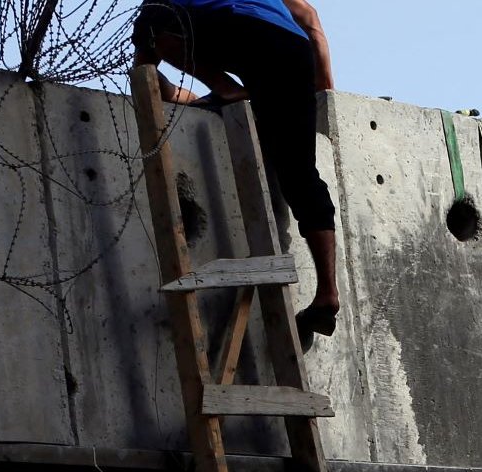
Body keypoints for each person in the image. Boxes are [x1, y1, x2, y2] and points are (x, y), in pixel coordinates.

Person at [130, 0, 341, 340]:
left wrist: (204, 88)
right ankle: (327, 294)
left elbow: (145, 75)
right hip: (292, 49)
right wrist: (324, 92)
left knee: (149, 22)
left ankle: (227, 90)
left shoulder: (160, 9)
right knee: (301, 175)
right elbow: (310, 19)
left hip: (240, 34)